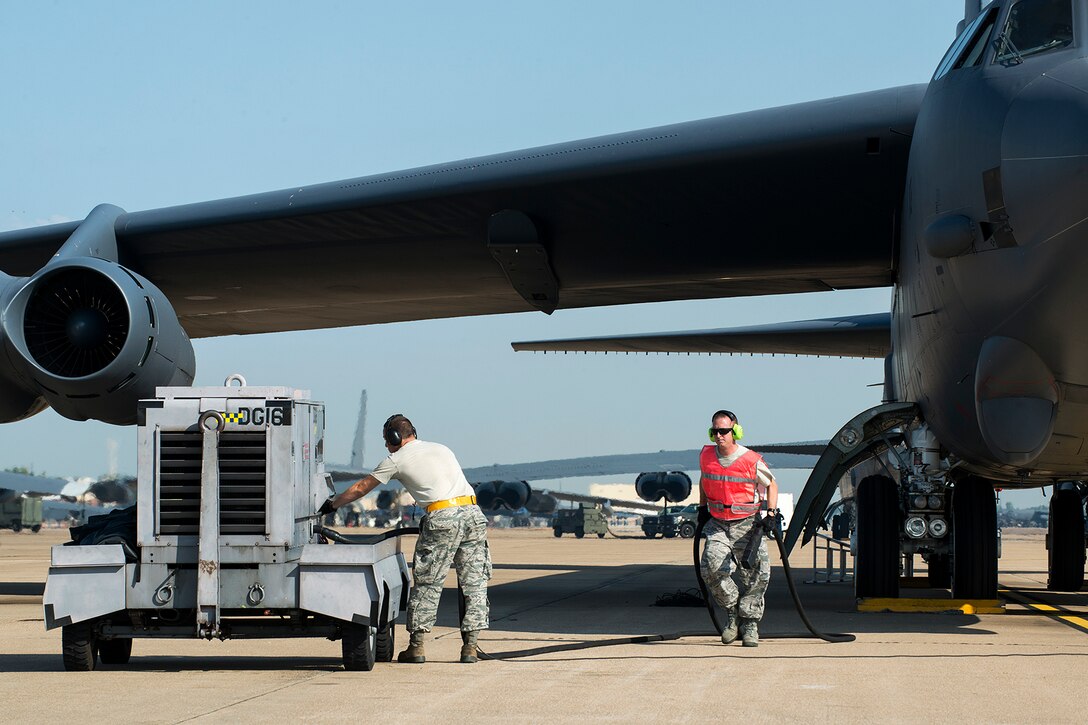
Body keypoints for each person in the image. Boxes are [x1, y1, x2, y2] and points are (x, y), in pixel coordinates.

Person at [318, 414, 491, 664]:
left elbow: (361, 488)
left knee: (428, 582)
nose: (387, 447)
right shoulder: (442, 448)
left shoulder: (396, 459)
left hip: (443, 516)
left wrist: (332, 505)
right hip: (474, 515)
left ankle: (417, 647)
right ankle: (471, 648)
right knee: (474, 583)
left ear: (394, 438)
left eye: (387, 441)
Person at [698, 409, 779, 647]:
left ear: (735, 432)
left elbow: (771, 484)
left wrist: (771, 513)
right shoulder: (706, 456)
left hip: (747, 525)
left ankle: (750, 624)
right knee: (711, 568)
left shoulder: (750, 459)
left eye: (724, 431)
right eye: (715, 431)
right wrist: (702, 508)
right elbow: (704, 480)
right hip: (718, 523)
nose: (719, 436)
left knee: (756, 575)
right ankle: (733, 614)